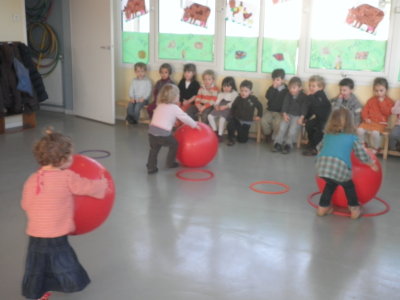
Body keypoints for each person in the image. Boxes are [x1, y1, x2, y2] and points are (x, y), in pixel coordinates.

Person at [21, 130, 108, 300]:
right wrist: (103, 184)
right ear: (61, 160)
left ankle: (37, 292)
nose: (72, 159)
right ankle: (71, 283)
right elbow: (87, 187)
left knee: (37, 265)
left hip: (36, 233)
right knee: (63, 262)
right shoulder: (67, 177)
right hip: (56, 233)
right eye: (70, 156)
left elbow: (25, 204)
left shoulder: (32, 179)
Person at [316, 108, 378, 219]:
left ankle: (322, 207)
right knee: (349, 186)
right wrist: (371, 163)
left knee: (330, 184)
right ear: (350, 123)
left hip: (321, 167)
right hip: (339, 168)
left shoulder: (327, 135)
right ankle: (354, 209)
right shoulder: (352, 138)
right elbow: (361, 154)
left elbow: (318, 148)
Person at [146, 84, 200, 174]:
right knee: (174, 144)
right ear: (173, 97)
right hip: (163, 134)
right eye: (178, 95)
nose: (179, 96)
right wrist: (195, 125)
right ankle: (170, 163)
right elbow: (185, 117)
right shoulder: (174, 108)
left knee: (154, 149)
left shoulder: (160, 105)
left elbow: (162, 116)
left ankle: (151, 167)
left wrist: (172, 121)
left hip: (151, 132)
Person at [357, 77, 394, 153]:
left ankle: (376, 147)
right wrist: (366, 118)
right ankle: (362, 144)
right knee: (359, 130)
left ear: (386, 90)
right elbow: (365, 110)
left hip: (380, 123)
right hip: (368, 122)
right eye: (376, 91)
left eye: (381, 91)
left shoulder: (389, 101)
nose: (379, 93)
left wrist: (381, 103)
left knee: (375, 133)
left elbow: (387, 112)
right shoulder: (371, 100)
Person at [272, 76, 307, 154]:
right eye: (290, 88)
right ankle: (278, 143)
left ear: (300, 88)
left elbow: (304, 108)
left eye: (294, 88)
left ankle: (288, 144)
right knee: (281, 128)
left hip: (297, 116)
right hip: (287, 114)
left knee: (292, 130)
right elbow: (285, 105)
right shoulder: (288, 95)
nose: (291, 90)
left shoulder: (303, 97)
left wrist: (301, 118)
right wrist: (284, 114)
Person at [227, 80, 263, 146]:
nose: (243, 93)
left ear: (251, 92)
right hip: (237, 119)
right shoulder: (238, 98)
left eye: (246, 91)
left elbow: (260, 106)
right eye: (241, 90)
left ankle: (240, 134)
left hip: (246, 121)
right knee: (230, 125)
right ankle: (231, 139)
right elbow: (233, 107)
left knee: (242, 140)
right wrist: (231, 116)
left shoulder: (253, 99)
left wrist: (259, 115)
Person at [302, 75, 332, 156]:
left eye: (313, 86)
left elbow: (317, 104)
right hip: (319, 118)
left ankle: (315, 148)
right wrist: (306, 117)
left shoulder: (321, 95)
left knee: (319, 131)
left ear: (321, 87)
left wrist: (310, 96)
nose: (311, 88)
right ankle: (311, 143)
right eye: (310, 86)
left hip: (326, 119)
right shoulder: (313, 96)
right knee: (309, 125)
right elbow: (312, 109)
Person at [207, 76, 238, 142]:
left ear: (232, 86)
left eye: (228, 86)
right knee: (209, 116)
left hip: (228, 108)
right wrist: (215, 106)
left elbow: (233, 103)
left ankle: (220, 134)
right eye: (224, 86)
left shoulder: (234, 93)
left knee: (222, 119)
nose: (226, 88)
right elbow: (217, 102)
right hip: (220, 107)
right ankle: (215, 131)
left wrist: (225, 106)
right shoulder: (221, 94)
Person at [261, 68, 288, 141]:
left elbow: (287, 102)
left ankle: (275, 136)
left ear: (282, 80)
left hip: (280, 112)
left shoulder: (286, 89)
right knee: (263, 121)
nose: (275, 81)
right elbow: (268, 97)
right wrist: (273, 88)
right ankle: (268, 134)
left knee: (277, 123)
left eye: (278, 80)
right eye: (274, 80)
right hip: (270, 110)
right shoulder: (271, 88)